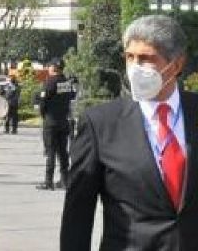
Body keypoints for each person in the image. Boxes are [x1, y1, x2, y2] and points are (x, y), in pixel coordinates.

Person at [62, 15, 198, 249]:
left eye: (146, 59)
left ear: (176, 65)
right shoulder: (100, 124)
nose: (135, 67)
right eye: (130, 57)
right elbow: (78, 213)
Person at [36, 57, 73, 190]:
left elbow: (42, 102)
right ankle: (65, 180)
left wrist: (43, 114)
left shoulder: (50, 82)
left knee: (50, 151)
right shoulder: (66, 83)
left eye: (50, 66)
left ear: (53, 68)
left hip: (51, 121)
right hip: (63, 121)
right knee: (63, 152)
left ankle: (48, 181)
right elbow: (70, 98)